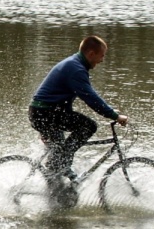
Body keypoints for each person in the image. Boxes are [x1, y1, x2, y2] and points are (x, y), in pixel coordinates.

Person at [28, 35, 128, 183]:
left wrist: (45, 129)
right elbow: (91, 98)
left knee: (59, 155)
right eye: (102, 56)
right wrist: (115, 116)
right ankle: (60, 164)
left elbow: (62, 102)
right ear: (91, 54)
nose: (102, 60)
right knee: (88, 126)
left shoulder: (74, 64)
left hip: (46, 113)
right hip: (45, 114)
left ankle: (58, 190)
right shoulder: (76, 69)